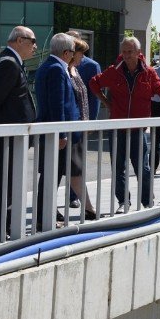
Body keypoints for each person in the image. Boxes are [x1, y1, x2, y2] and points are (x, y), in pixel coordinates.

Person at [89, 36, 160, 212]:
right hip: (117, 128)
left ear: (138, 53)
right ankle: (124, 201)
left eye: (130, 52)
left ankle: (147, 201)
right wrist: (107, 103)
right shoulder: (114, 71)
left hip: (138, 129)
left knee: (143, 168)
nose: (127, 55)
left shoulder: (149, 72)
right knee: (118, 168)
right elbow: (94, 83)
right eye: (124, 51)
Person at [0, 26, 37, 243]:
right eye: (32, 41)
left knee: (10, 182)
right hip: (6, 137)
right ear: (20, 40)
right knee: (2, 182)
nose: (35, 46)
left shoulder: (13, 62)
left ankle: (5, 226)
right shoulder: (8, 63)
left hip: (13, 136)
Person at [33, 33, 82, 230]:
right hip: (56, 134)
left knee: (51, 176)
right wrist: (61, 134)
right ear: (66, 52)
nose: (73, 57)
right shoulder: (56, 69)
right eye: (72, 53)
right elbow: (57, 104)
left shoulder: (47, 66)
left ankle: (46, 215)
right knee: (51, 176)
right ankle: (45, 217)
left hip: (53, 132)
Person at [66, 30, 101, 208]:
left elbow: (93, 97)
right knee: (61, 162)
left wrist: (90, 121)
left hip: (82, 121)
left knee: (77, 162)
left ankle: (73, 196)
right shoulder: (62, 65)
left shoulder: (91, 65)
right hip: (67, 122)